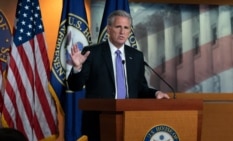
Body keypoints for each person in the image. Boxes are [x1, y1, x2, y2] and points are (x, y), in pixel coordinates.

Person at [67, 10, 170, 141]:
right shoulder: (92, 53)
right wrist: (77, 67)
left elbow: (140, 89)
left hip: (130, 121)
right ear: (109, 29)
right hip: (99, 122)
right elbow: (75, 86)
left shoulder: (136, 56)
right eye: (118, 27)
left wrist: (156, 93)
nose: (122, 32)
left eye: (126, 28)